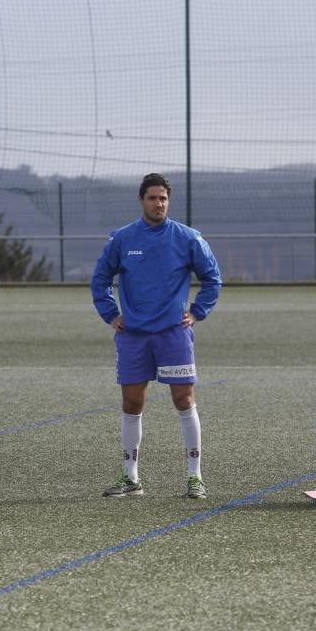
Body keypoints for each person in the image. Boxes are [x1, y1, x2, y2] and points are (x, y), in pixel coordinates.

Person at [90, 172, 222, 499]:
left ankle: (195, 477)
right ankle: (130, 477)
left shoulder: (188, 238)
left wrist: (197, 311)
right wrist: (111, 314)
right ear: (141, 200)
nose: (158, 203)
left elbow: (212, 279)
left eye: (163, 198)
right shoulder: (122, 239)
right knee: (132, 402)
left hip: (173, 335)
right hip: (133, 335)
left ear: (169, 201)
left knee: (184, 400)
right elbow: (100, 279)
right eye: (152, 198)